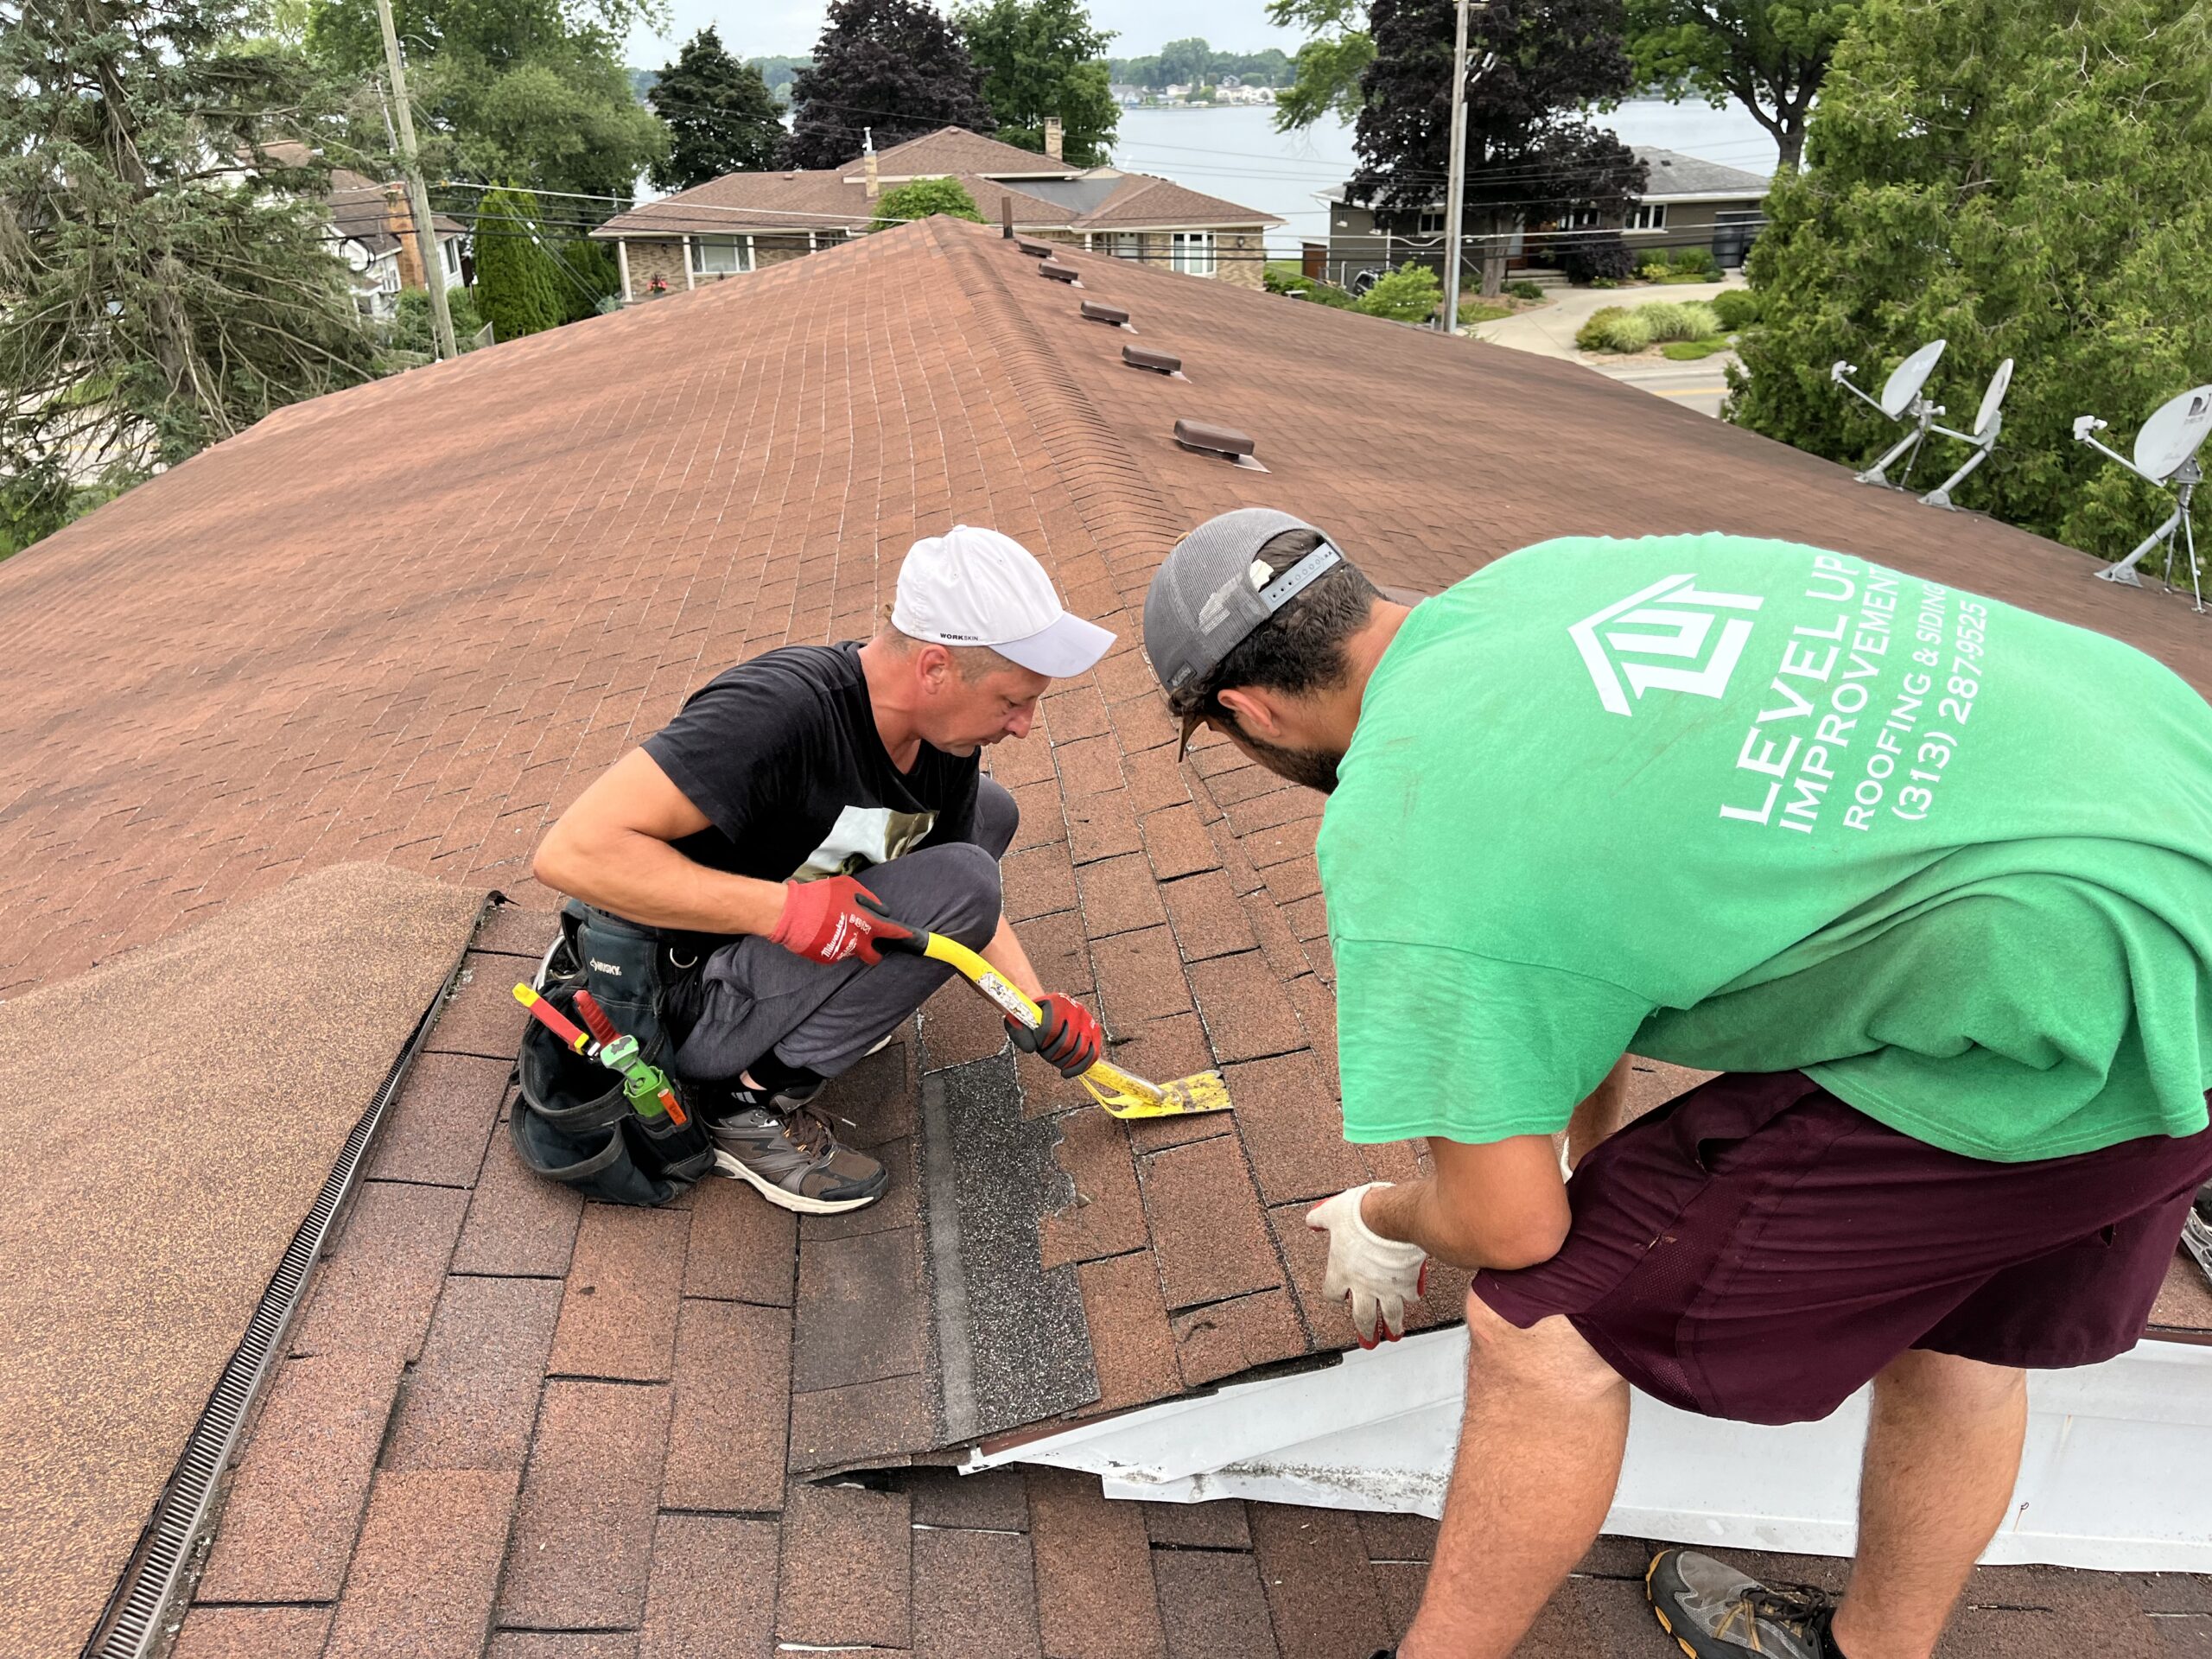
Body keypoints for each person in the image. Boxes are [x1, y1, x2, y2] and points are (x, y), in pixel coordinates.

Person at [1141, 508, 2212, 1659]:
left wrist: (1382, 1214)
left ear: (1244, 713)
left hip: (2069, 1004)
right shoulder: (1538, 582)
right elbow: (1587, 976)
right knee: (1961, 1335)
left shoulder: (1405, 814)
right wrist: (1579, 1155)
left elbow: (1509, 1230)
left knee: (1543, 1327)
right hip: (2167, 833)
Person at [534, 525, 1113, 1214]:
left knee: (987, 817)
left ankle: (804, 1014)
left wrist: (1031, 1003)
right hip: (676, 995)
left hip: (749, 955)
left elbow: (961, 904)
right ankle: (743, 1100)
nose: (1024, 725)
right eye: (1013, 701)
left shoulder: (941, 741)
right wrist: (782, 913)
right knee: (967, 877)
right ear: (934, 668)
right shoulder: (778, 712)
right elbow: (569, 851)